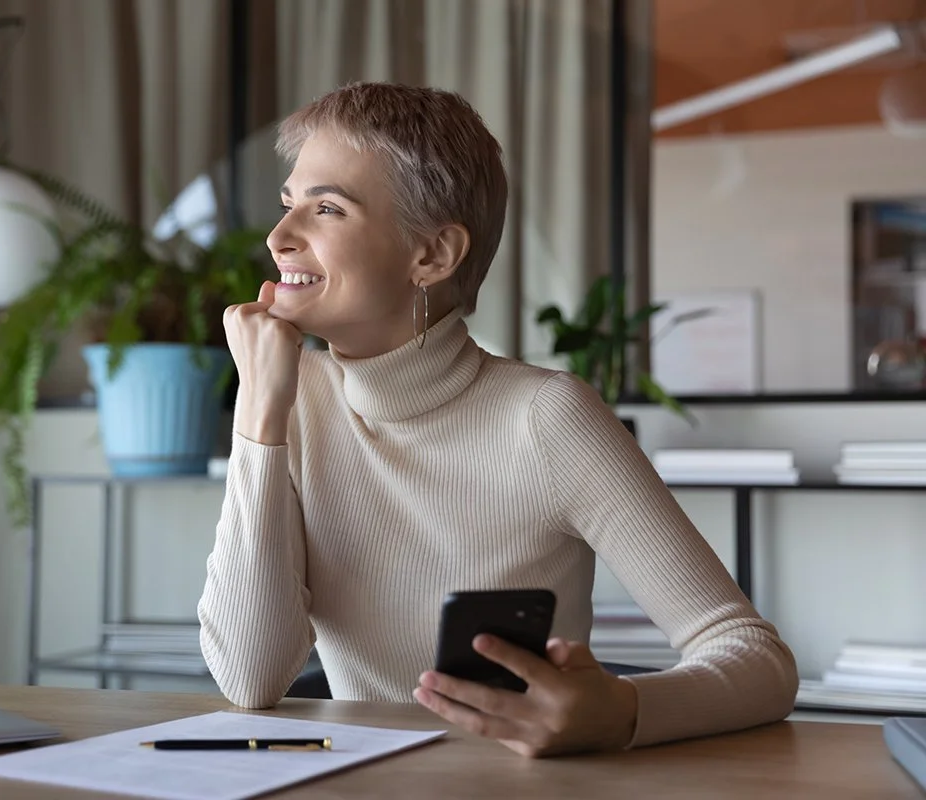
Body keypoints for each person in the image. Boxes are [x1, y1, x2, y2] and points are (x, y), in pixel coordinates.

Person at [196, 81, 798, 757]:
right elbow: (249, 678)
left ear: (433, 255)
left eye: (326, 208)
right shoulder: (288, 401)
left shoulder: (546, 418)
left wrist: (621, 711)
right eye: (288, 206)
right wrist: (258, 411)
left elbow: (757, 661)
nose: (279, 238)